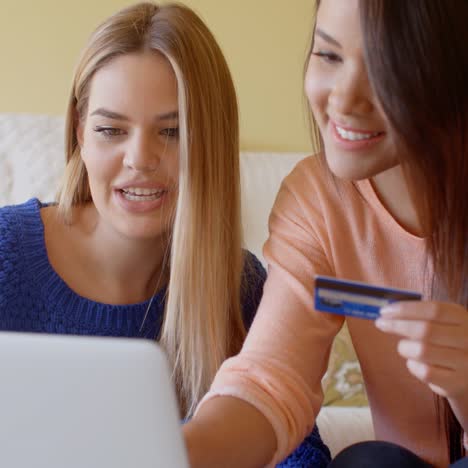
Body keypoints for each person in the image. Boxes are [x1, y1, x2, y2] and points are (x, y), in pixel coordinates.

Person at [0, 2, 331, 466]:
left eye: (172, 132)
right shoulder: (5, 252)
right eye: (111, 129)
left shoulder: (241, 288)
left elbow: (303, 455)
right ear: (80, 133)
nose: (140, 158)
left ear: (210, 142)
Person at [183, 0, 468, 467]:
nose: (343, 99)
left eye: (385, 67)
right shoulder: (319, 199)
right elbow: (270, 378)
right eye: (329, 55)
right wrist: (175, 454)